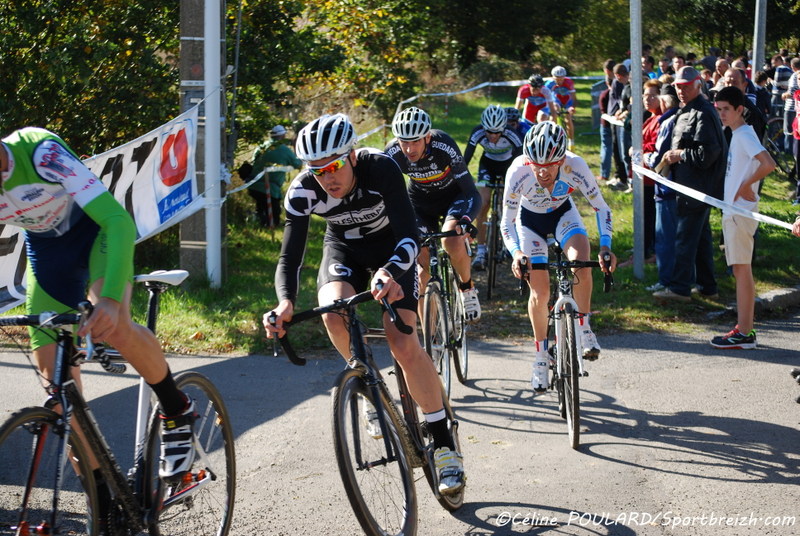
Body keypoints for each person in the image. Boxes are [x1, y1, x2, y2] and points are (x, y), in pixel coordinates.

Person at [0, 127, 197, 528]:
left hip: (97, 237)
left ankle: (177, 409)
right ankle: (104, 497)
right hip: (47, 260)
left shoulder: (40, 152)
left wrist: (108, 300)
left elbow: (116, 220)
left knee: (113, 325)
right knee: (58, 394)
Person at [263, 113, 465, 494]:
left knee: (403, 343)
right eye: (317, 171)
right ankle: (369, 385)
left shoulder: (381, 167)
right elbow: (290, 258)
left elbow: (410, 235)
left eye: (335, 166)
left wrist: (390, 271)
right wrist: (285, 302)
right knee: (332, 309)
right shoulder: (304, 191)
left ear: (352, 155)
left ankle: (443, 444)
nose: (328, 178)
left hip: (394, 249)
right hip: (345, 250)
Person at [501, 122, 617, 392]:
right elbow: (506, 221)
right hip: (529, 224)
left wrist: (606, 246)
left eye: (549, 165)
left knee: (581, 260)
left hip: (564, 216)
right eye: (536, 165)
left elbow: (601, 207)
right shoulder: (518, 171)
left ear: (562, 160)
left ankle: (584, 326)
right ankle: (541, 357)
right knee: (540, 294)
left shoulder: (575, 166)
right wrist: (516, 252)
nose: (542, 172)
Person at [653, 66, 727, 302]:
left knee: (684, 237)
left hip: (696, 187)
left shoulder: (704, 112)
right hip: (690, 186)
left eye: (686, 86)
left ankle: (679, 288)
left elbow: (709, 153)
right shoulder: (689, 109)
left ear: (698, 85)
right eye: (678, 87)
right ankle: (708, 287)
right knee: (701, 238)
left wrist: (680, 155)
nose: (681, 91)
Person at [710, 87, 776, 349]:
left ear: (740, 109)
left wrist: (747, 186)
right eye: (719, 109)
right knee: (740, 269)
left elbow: (768, 164)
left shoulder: (745, 134)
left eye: (726, 109)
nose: (722, 114)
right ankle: (744, 328)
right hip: (734, 212)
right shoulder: (738, 134)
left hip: (739, 214)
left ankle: (746, 332)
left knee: (742, 270)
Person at [463, 104, 523, 271]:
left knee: (509, 205)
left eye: (497, 132)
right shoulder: (478, 132)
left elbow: (522, 161)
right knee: (482, 204)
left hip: (509, 166)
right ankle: (481, 252)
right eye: (489, 131)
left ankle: (509, 243)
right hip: (487, 166)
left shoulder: (513, 134)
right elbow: (464, 160)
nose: (493, 136)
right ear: (484, 127)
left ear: (504, 128)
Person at [643, 93, 680, 292]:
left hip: (666, 187)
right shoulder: (678, 118)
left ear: (664, 101)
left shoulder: (667, 122)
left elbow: (659, 159)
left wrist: (646, 157)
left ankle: (667, 281)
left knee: (665, 238)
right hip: (674, 188)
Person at [249, 125, 302, 227]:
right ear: (282, 136)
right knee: (274, 213)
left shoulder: (261, 147)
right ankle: (270, 226)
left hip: (254, 185)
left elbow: (253, 162)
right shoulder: (284, 150)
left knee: (261, 208)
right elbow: (297, 164)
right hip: (270, 188)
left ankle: (260, 224)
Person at [546, 65, 577, 149]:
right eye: (557, 79)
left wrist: (572, 108)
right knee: (554, 114)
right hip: (556, 100)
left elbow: (574, 98)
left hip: (567, 100)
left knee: (568, 119)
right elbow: (545, 97)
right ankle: (552, 137)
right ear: (553, 77)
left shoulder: (569, 82)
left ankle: (571, 142)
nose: (559, 81)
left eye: (561, 79)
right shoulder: (549, 84)